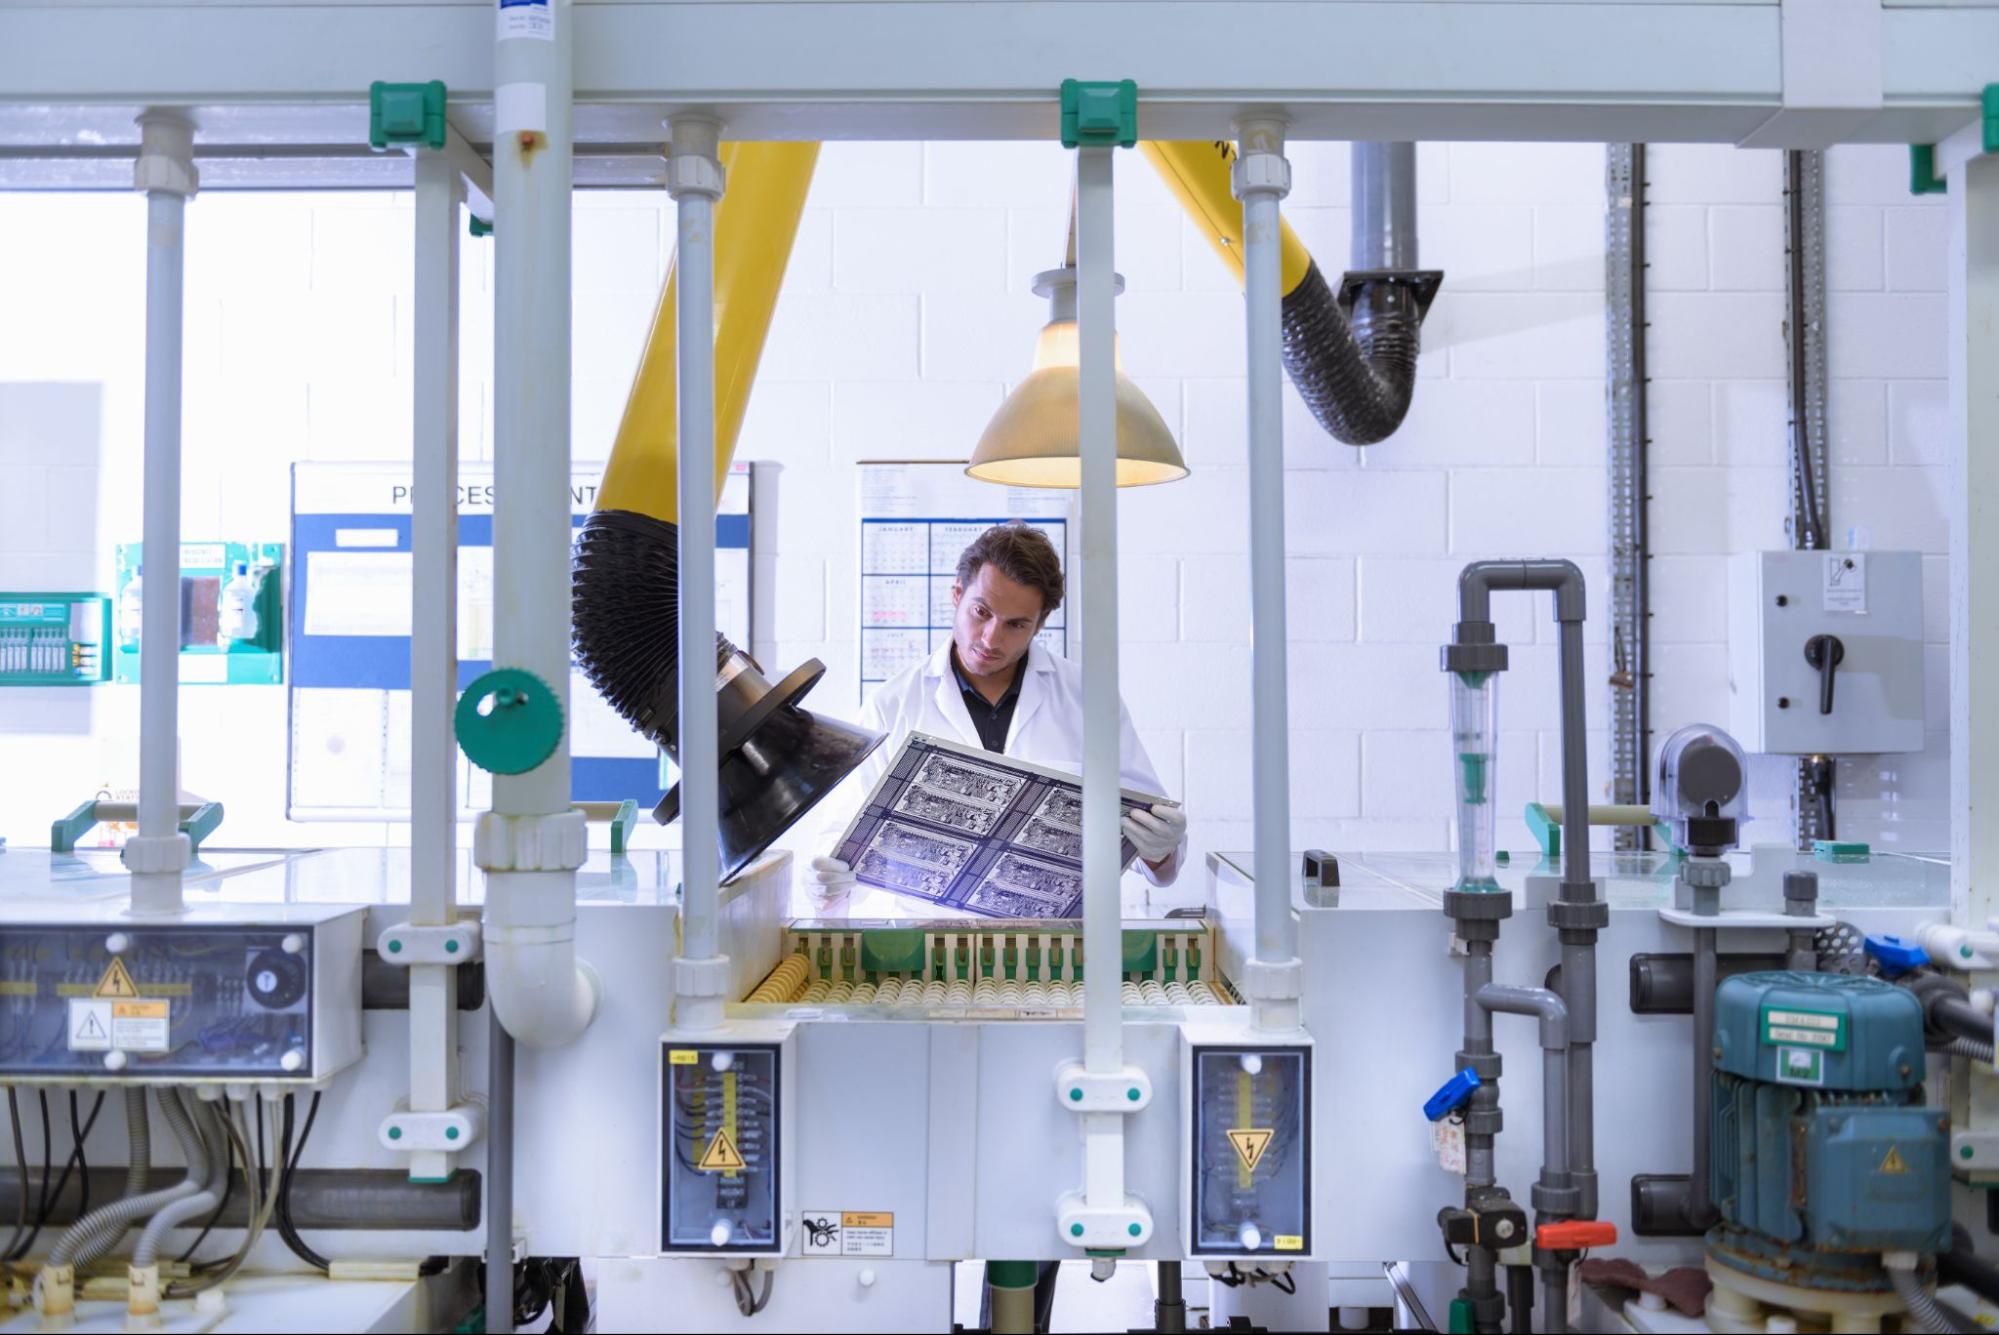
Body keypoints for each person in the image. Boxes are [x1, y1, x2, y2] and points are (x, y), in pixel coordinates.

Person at [810, 521, 1187, 910]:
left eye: (1015, 624)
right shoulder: (891, 705)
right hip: (923, 948)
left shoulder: (1089, 699)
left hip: (1053, 947)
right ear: (957, 595)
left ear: (1039, 624)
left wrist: (1160, 847)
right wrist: (826, 881)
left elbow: (1149, 843)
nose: (991, 638)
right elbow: (841, 844)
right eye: (981, 612)